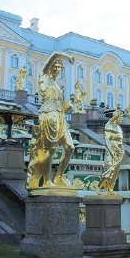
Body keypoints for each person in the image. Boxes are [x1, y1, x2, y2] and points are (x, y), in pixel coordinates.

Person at [26, 51, 75, 188]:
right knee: (51, 150)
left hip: (60, 117)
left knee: (70, 147)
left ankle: (59, 177)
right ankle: (47, 181)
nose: (57, 70)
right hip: (48, 116)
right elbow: (54, 54)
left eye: (60, 68)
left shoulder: (56, 85)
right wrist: (67, 58)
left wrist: (66, 107)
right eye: (56, 67)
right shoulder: (43, 76)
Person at [97, 109, 124, 195]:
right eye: (121, 117)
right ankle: (98, 187)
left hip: (119, 152)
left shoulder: (119, 128)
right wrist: (111, 150)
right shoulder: (109, 126)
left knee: (115, 172)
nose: (122, 119)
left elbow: (120, 140)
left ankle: (110, 188)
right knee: (108, 170)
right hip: (111, 151)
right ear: (116, 117)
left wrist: (121, 149)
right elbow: (107, 140)